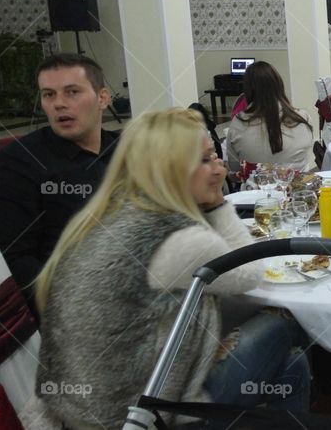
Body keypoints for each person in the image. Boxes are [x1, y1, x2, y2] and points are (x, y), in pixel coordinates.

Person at [27, 108, 309, 428]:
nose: (217, 167)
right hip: (137, 415)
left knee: (293, 363)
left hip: (76, 407)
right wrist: (217, 202)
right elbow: (250, 272)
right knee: (284, 324)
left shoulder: (108, 216)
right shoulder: (177, 239)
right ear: (172, 169)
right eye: (204, 159)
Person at [0, 53, 118, 309]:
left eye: (72, 92)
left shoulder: (123, 149)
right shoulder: (17, 165)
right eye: (49, 95)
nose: (59, 104)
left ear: (102, 98)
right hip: (74, 306)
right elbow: (15, 260)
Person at [225, 61, 315, 172]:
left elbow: (235, 167)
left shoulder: (238, 123)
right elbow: (306, 156)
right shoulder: (302, 118)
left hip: (256, 187)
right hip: (299, 186)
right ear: (279, 84)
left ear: (247, 90)